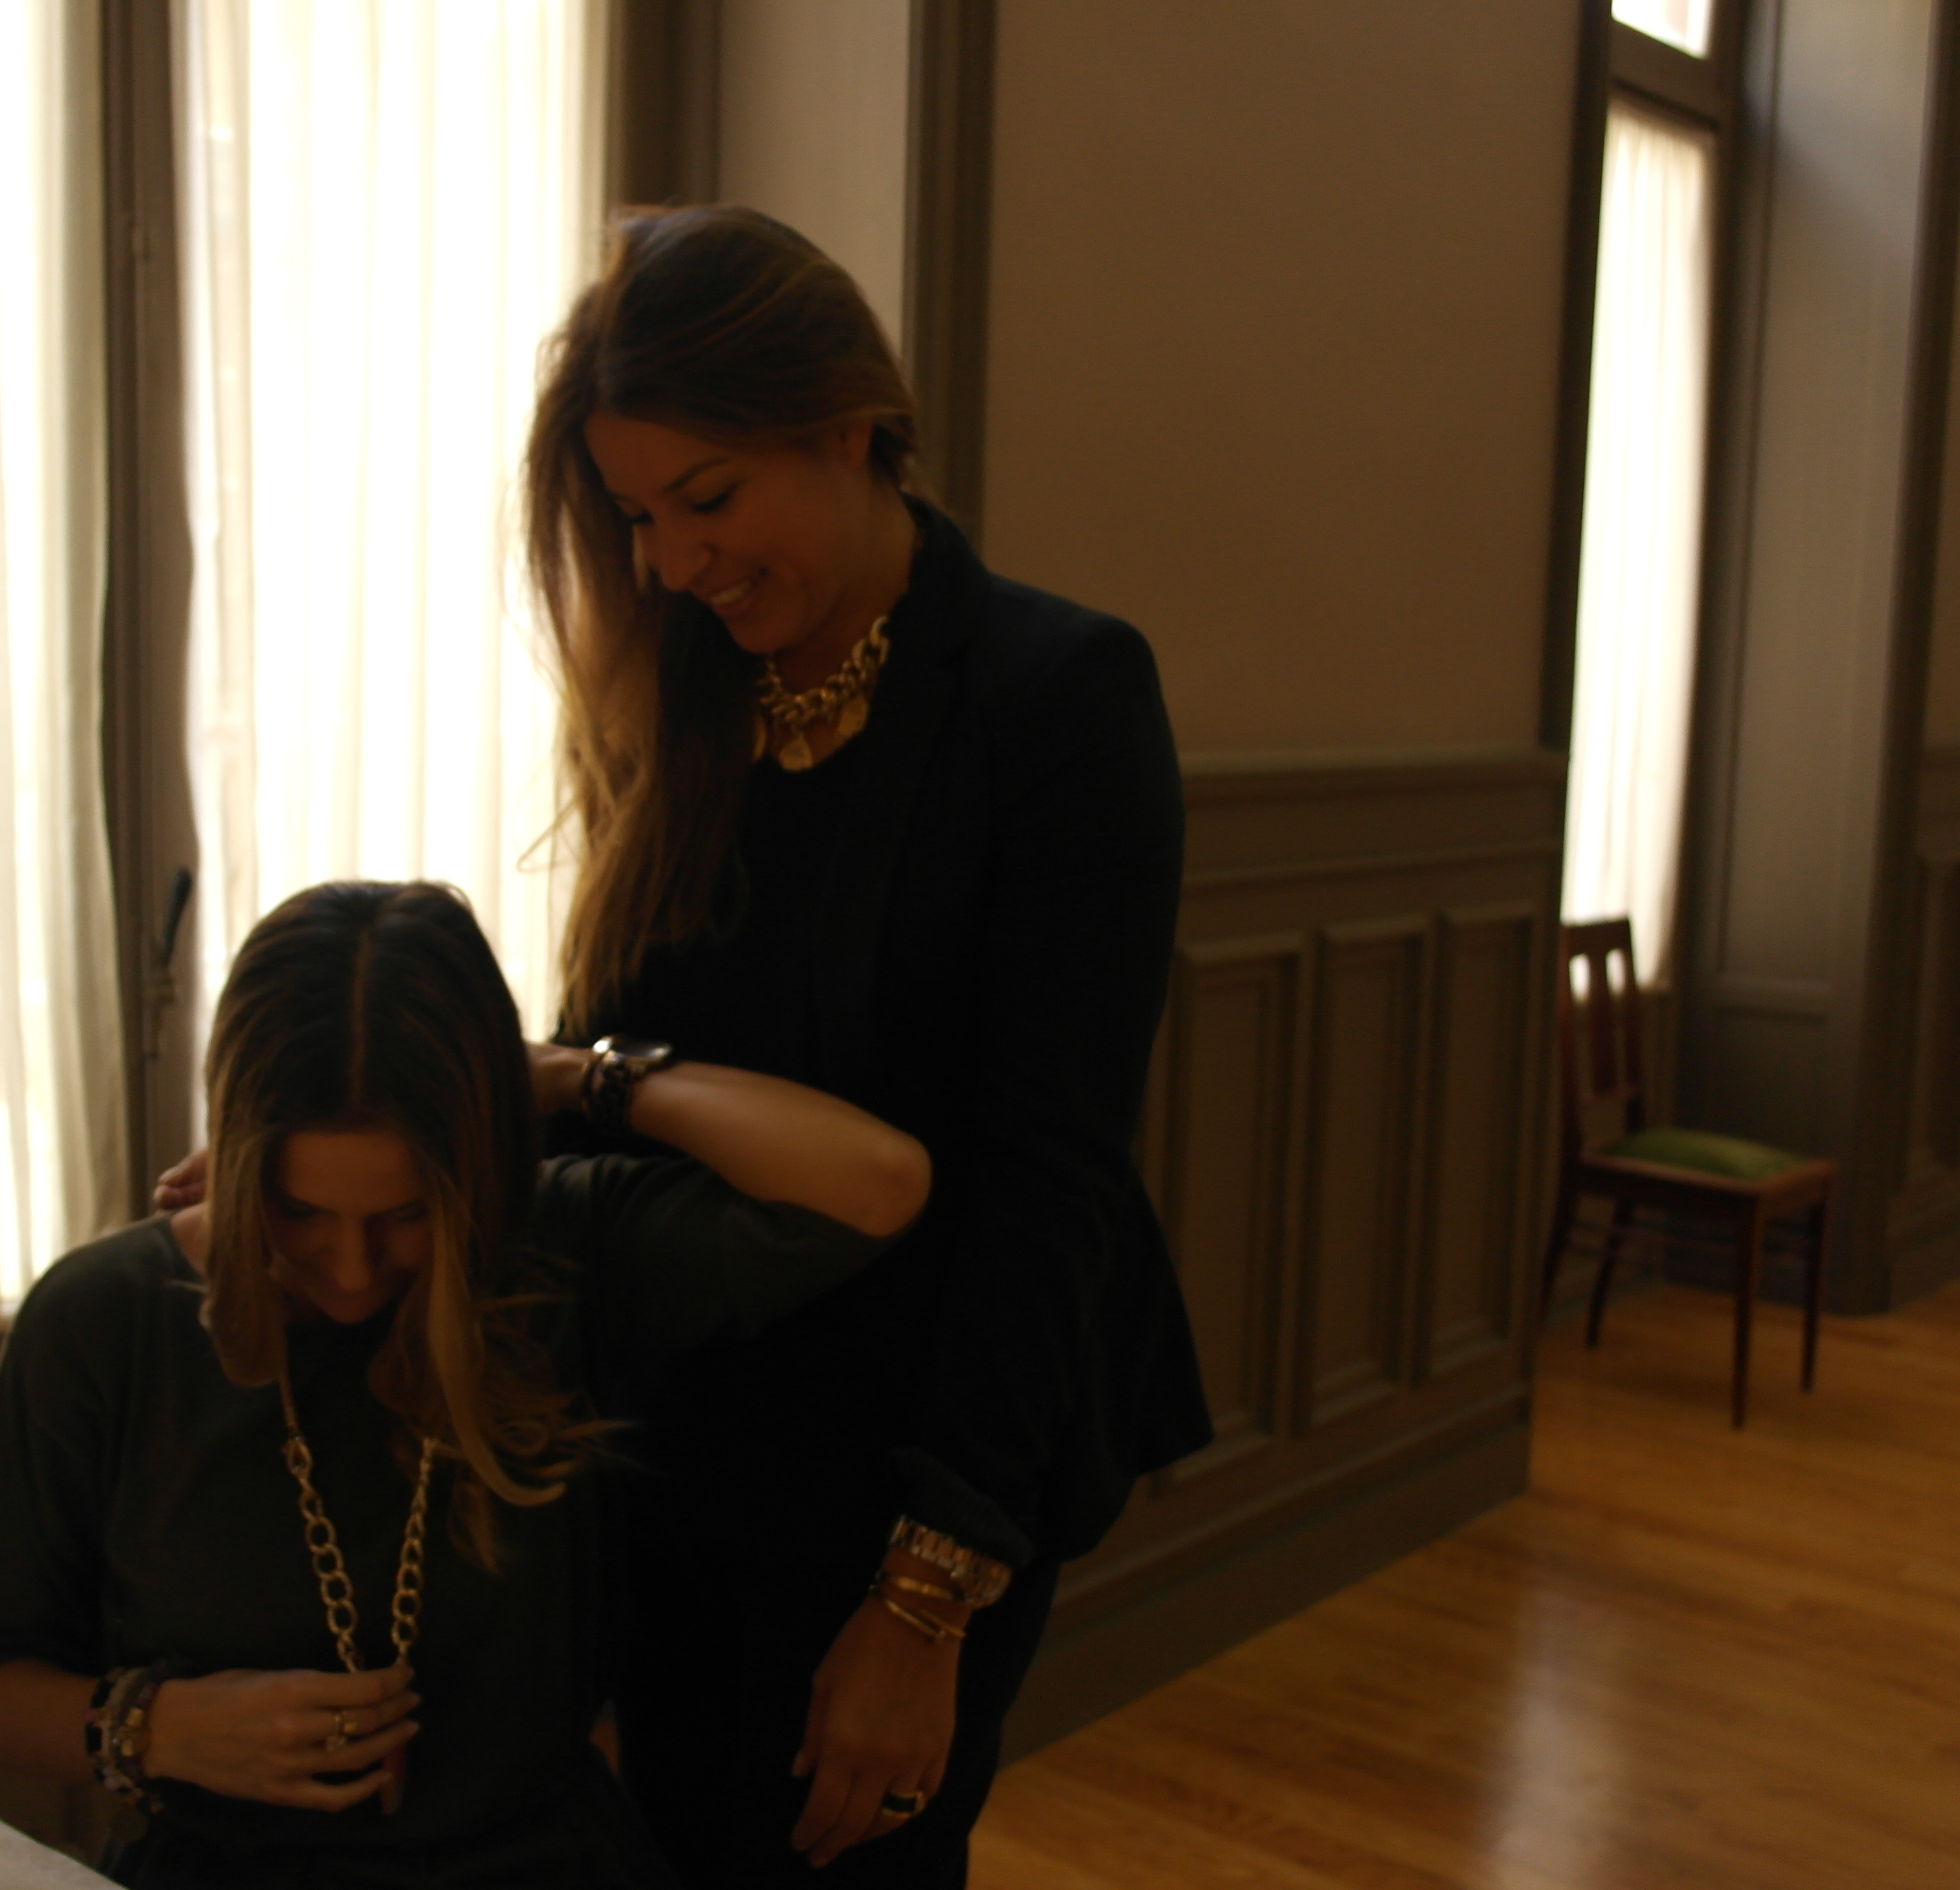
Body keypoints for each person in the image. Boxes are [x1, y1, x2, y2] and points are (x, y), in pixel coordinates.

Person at [520, 204, 1216, 1884]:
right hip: (682, 1420)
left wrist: (922, 1600)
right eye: (636, 516)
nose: (671, 561)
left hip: (927, 1446)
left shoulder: (1057, 695)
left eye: (707, 498)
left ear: (846, 425)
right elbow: (613, 1077)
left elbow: (1049, 1178)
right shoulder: (680, 684)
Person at [0, 880, 931, 1890]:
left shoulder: (557, 1252)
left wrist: (571, 1077)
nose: (351, 1270)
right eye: (299, 1210)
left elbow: (876, 1181)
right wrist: (161, 1730)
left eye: (408, 1215)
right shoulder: (103, 1319)